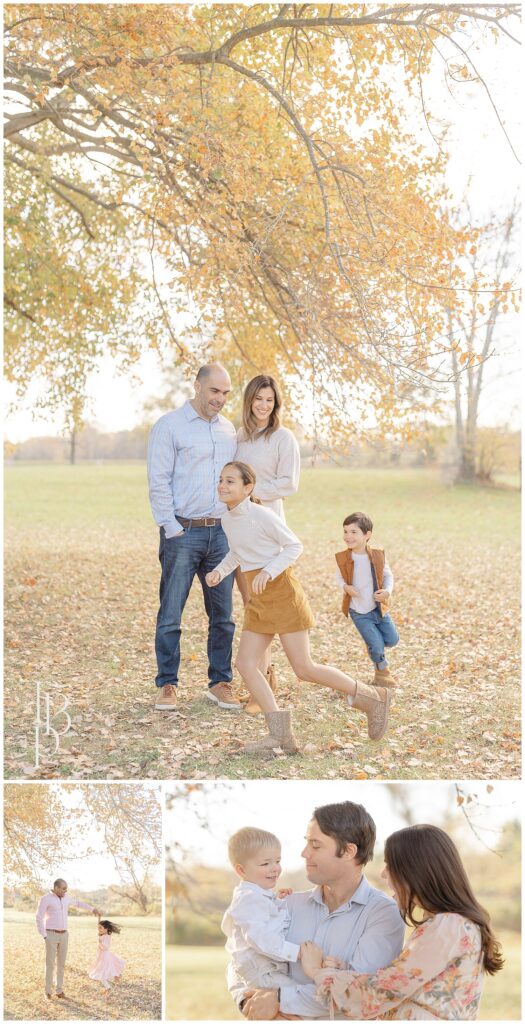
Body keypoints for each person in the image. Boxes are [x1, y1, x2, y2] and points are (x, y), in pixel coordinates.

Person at [206, 462, 392, 754]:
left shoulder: (262, 515)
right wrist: (220, 570)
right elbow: (237, 552)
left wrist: (269, 571)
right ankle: (280, 736)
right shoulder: (228, 519)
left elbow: (294, 545)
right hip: (258, 596)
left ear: (248, 487)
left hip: (281, 592)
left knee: (304, 668)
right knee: (245, 664)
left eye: (230, 481)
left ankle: (372, 697)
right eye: (220, 480)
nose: (222, 485)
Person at [300, 824, 504, 1020]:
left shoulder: (447, 927)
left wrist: (319, 973)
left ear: (415, 872)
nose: (382, 872)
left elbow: (381, 992)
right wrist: (341, 972)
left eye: (390, 864)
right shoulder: (452, 926)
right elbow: (403, 983)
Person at [229, 801, 405, 1019]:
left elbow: (360, 993)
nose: (304, 853)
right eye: (307, 843)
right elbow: (241, 955)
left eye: (316, 845)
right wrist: (248, 1000)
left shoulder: (383, 914)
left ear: (349, 851)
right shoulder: (288, 904)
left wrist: (279, 999)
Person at [147, 362, 239, 711]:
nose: (220, 399)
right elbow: (158, 482)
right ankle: (167, 684)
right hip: (182, 532)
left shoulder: (228, 430)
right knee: (171, 612)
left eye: (226, 393)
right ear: (198, 386)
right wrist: (172, 529)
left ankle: (220, 682)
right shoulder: (169, 426)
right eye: (215, 391)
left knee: (224, 615)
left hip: (221, 534)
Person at [235, 374, 301, 713]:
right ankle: (262, 680)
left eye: (269, 400)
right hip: (242, 533)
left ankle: (264, 680)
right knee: (252, 607)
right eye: (258, 399)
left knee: (267, 609)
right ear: (249, 400)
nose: (263, 405)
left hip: (270, 532)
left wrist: (256, 494)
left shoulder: (282, 437)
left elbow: (289, 484)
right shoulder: (239, 439)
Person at [222, 827, 300, 992]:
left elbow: (268, 920)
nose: (275, 868)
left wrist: (278, 902)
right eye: (265, 863)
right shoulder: (249, 899)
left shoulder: (256, 895)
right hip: (263, 972)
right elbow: (260, 938)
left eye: (277, 861)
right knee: (300, 997)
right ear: (241, 870)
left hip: (267, 969)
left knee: (295, 1004)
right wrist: (296, 953)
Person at [335, 512, 399, 688]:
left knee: (392, 640)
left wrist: (387, 591)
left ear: (367, 535)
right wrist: (346, 587)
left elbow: (388, 576)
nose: (348, 536)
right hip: (358, 611)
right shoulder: (343, 558)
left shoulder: (377, 556)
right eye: (345, 531)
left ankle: (374, 645)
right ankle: (381, 671)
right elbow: (339, 578)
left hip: (378, 608)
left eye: (354, 532)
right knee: (377, 644)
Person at [36, 878, 100, 1001]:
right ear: (56, 888)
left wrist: (92, 909)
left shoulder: (66, 898)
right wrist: (44, 935)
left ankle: (59, 990)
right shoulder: (45, 899)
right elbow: (39, 917)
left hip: (64, 935)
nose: (66, 890)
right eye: (64, 888)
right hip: (51, 934)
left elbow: (78, 903)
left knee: (61, 964)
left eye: (66, 888)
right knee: (50, 964)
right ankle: (47, 991)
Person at [89, 919, 125, 997]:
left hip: (104, 957)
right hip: (102, 956)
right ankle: (116, 976)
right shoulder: (103, 936)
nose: (99, 929)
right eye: (98, 927)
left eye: (100, 928)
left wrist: (100, 943)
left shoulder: (106, 937)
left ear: (106, 929)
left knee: (102, 973)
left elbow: (106, 947)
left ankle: (108, 987)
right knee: (106, 970)